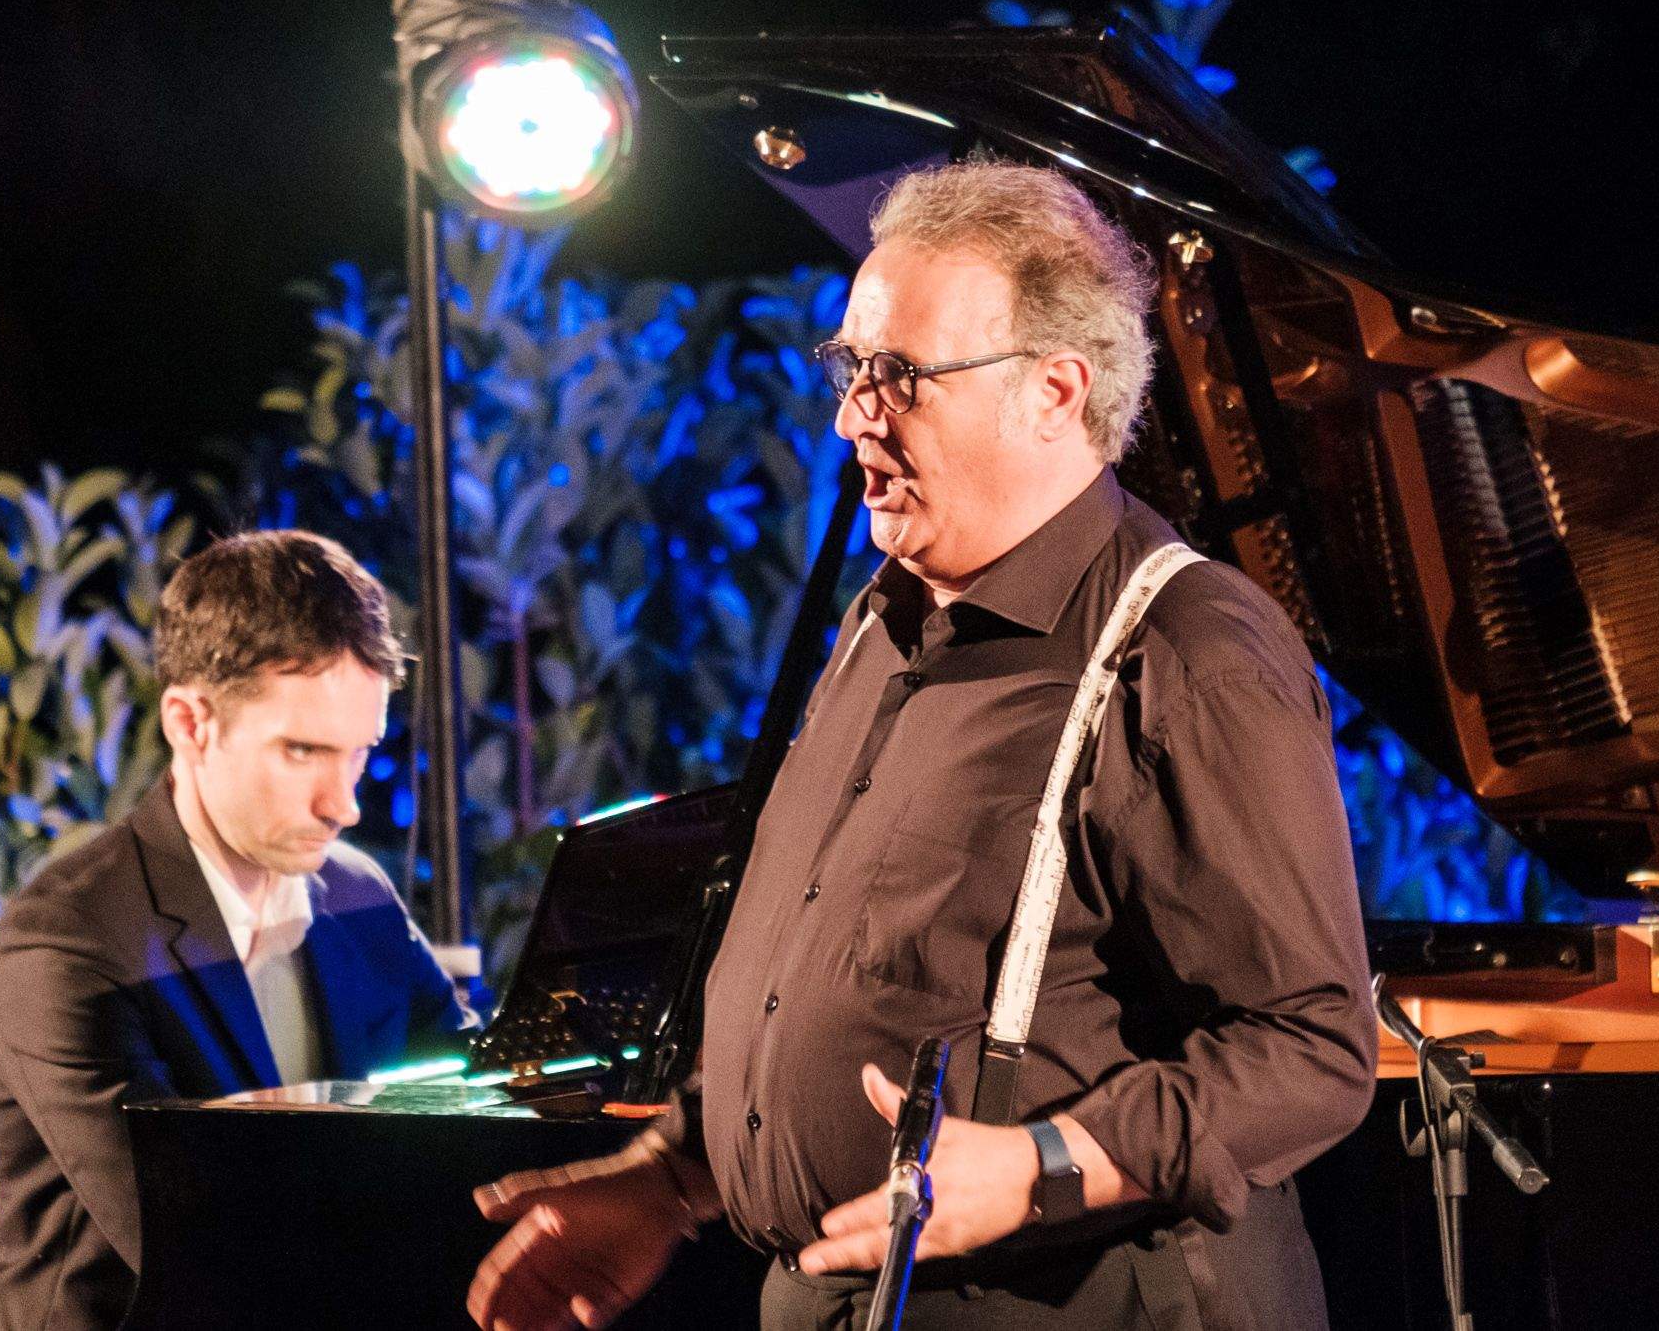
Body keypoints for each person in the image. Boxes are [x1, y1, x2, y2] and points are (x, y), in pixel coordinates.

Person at [466, 158, 1376, 1330]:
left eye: (897, 375)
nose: (853, 415)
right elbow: (848, 976)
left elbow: (1309, 1049)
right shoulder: (884, 623)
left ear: (1053, 393)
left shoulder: (1185, 650)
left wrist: (1046, 1163)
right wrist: (671, 1182)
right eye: (849, 369)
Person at [0, 529, 475, 1331]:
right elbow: (196, 1245)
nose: (343, 805)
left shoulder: (358, 893)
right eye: (303, 750)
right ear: (189, 722)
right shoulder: (67, 940)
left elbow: (472, 1102)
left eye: (361, 754)